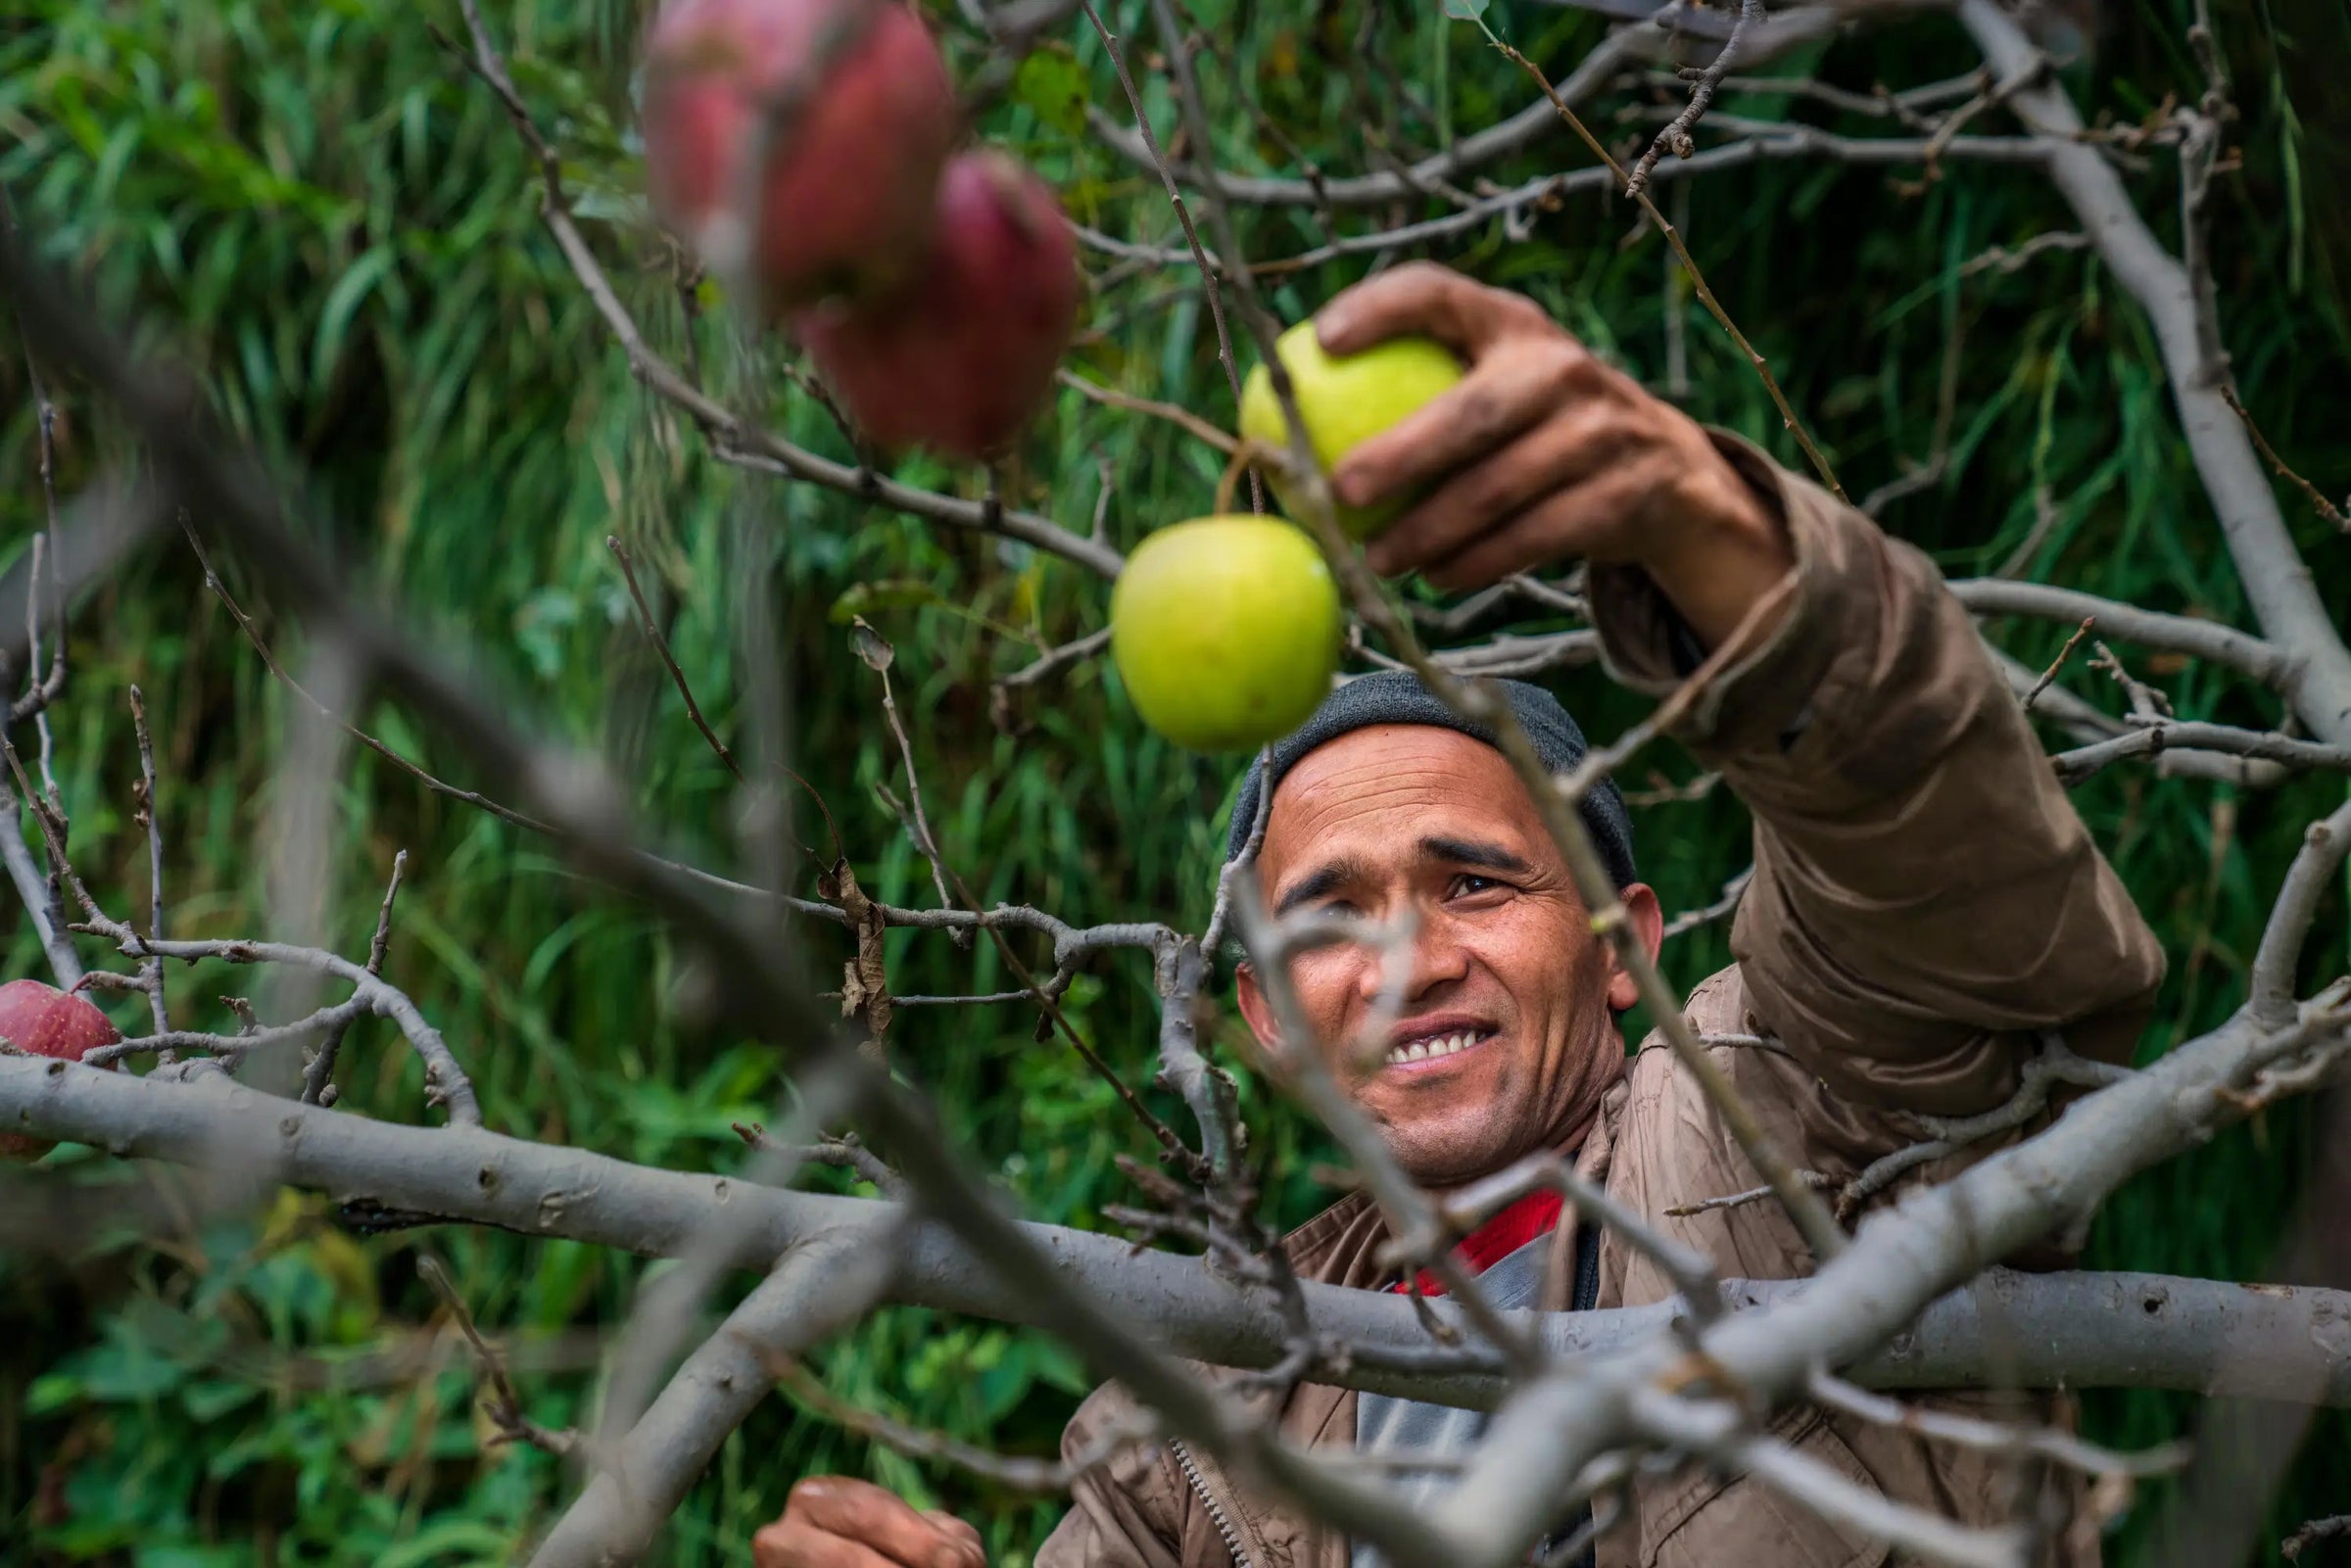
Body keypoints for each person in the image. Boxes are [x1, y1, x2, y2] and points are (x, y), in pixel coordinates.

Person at [751, 262, 2164, 1568]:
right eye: (1327, 919)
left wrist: (1691, 519)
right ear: (1264, 1021)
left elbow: (1943, 872)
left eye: (1475, 882)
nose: (1409, 961)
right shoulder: (1194, 1421)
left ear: (1623, 948)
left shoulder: (1798, 1127)